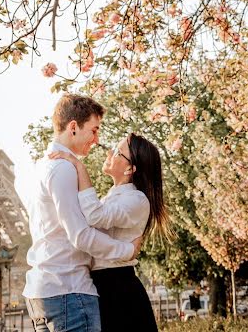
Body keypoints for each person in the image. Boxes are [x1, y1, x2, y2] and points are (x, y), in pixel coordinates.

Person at [24, 94, 143, 332]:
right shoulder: (64, 169)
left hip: (40, 292)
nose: (97, 139)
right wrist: (128, 250)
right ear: (73, 127)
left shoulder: (42, 166)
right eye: (94, 130)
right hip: (68, 290)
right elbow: (80, 236)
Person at [50, 132, 170, 332]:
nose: (109, 152)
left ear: (130, 169)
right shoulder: (113, 197)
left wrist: (80, 167)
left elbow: (95, 216)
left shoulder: (138, 200)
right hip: (103, 286)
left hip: (119, 290)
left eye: (117, 152)